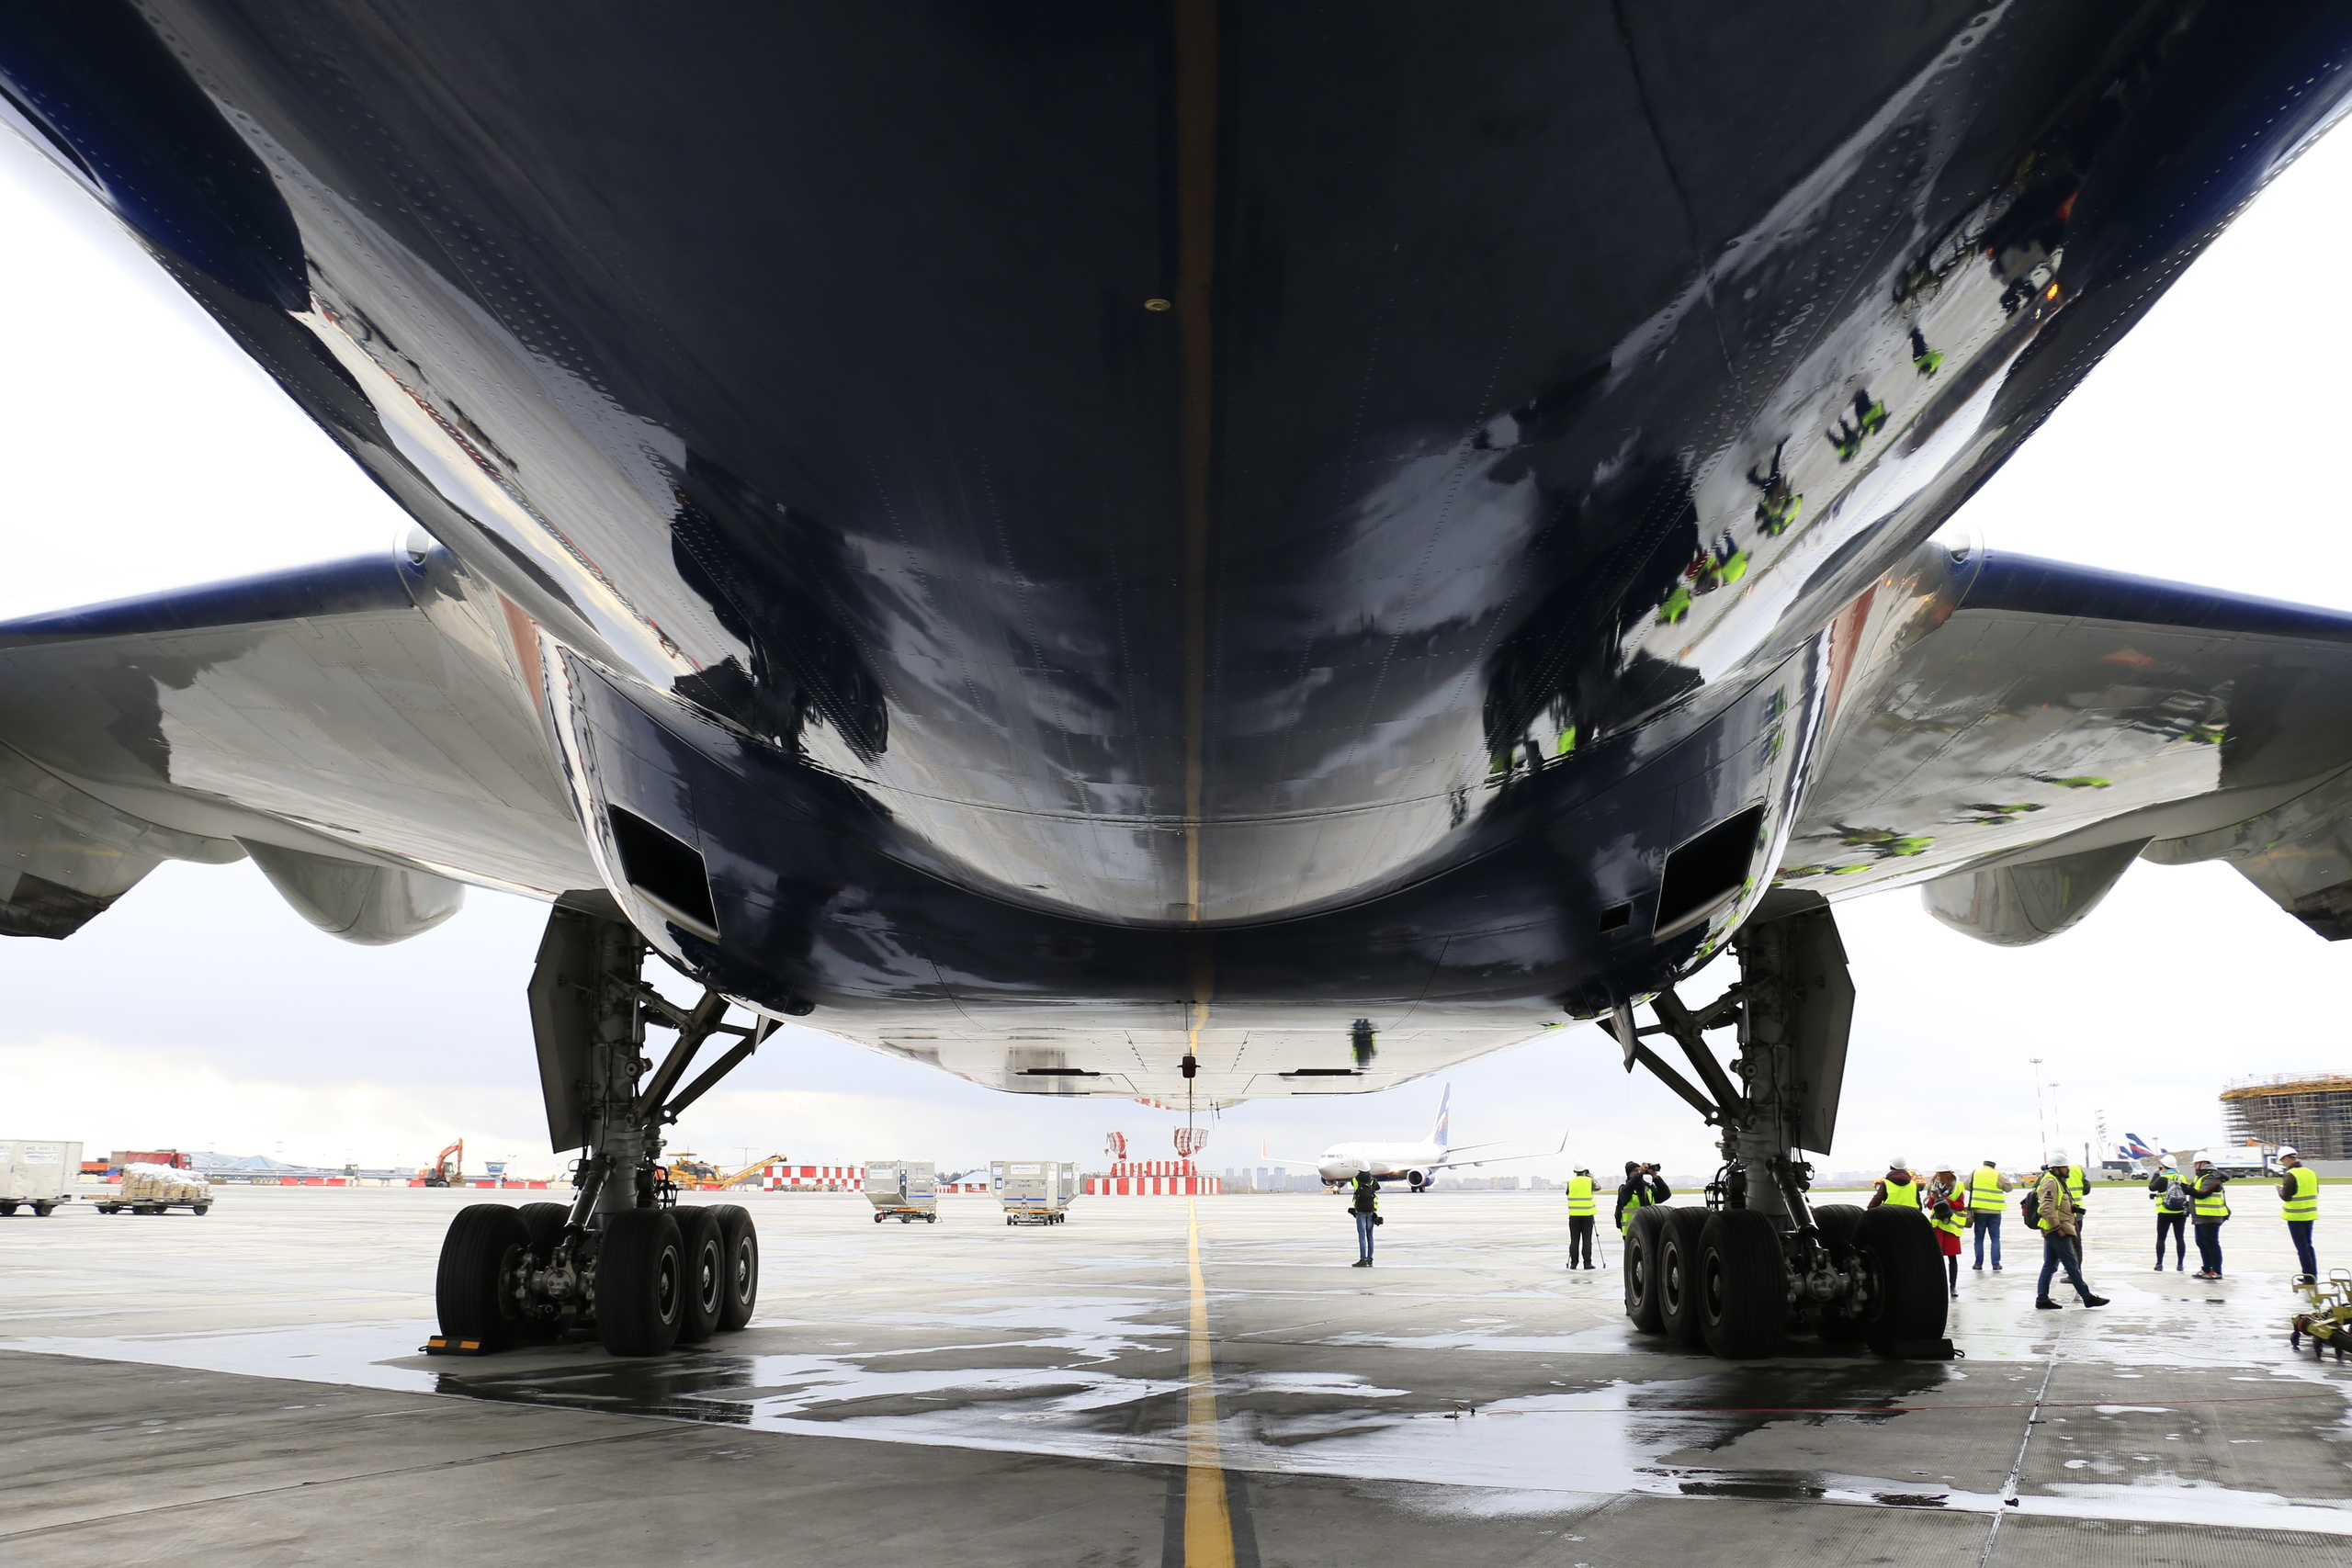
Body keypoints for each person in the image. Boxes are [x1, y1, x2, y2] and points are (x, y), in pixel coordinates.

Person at [2033, 1160, 2109, 1310]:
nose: (2068, 1169)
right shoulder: (2051, 1182)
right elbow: (2047, 1209)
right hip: (2056, 1230)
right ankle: (2087, 1297)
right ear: (2056, 1168)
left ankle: (2042, 1298)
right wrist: (2058, 1228)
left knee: (2050, 1265)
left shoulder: (2058, 1180)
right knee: (2071, 1264)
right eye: (2064, 1167)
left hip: (2055, 1229)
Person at [1926, 1164, 1968, 1297]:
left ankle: (1953, 1286)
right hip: (1937, 1225)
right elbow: (1929, 1206)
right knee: (1936, 1258)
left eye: (1940, 1174)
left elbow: (1961, 1206)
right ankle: (1937, 1285)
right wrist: (1933, 1198)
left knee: (1952, 1257)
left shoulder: (1959, 1186)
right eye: (1937, 1174)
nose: (1937, 1177)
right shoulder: (1934, 1185)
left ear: (1947, 1175)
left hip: (1950, 1227)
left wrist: (1946, 1201)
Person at [2279, 1147, 2320, 1280]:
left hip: (2296, 1216)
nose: (2283, 1164)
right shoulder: (2310, 1172)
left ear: (2286, 1158)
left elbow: (2286, 1196)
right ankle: (2312, 1275)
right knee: (2308, 1246)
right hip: (2310, 1214)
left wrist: (2279, 1190)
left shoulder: (2290, 1174)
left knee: (2302, 1248)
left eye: (2282, 1161)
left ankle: (2308, 1278)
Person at [2189, 1157, 2230, 1280]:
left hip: (2210, 1216)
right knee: (2201, 1243)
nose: (2195, 1166)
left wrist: (2186, 1189)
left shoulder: (2212, 1177)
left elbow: (2201, 1194)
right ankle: (2207, 1268)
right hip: (2200, 1215)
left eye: (2196, 1163)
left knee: (2211, 1244)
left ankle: (2217, 1270)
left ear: (2203, 1163)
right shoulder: (2201, 1177)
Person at [2147, 1156, 2188, 1272]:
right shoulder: (2181, 1177)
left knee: (2161, 1238)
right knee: (2179, 1238)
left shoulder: (2162, 1178)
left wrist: (2157, 1173)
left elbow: (2151, 1187)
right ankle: (2180, 1264)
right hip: (2180, 1211)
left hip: (2164, 1211)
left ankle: (2159, 1263)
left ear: (2164, 1166)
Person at [1969, 1159, 2008, 1272]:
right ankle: (1996, 1264)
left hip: (1979, 1210)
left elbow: (1967, 1185)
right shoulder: (1998, 1175)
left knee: (1979, 1238)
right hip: (1995, 1211)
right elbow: (2009, 1188)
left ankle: (1978, 1264)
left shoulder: (1975, 1172)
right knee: (1995, 1238)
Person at [1614, 1161, 1669, 1234]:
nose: (1638, 1171)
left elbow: (1666, 1194)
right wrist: (1640, 1174)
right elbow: (1629, 1187)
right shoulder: (1624, 1189)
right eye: (1635, 1170)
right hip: (1631, 1232)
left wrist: (1656, 1177)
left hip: (1649, 1230)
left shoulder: (1648, 1188)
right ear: (1629, 1174)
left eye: (1639, 1169)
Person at [1565, 1165, 1598, 1269]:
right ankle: (1587, 1263)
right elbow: (1598, 1187)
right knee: (1587, 1241)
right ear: (1584, 1171)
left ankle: (1573, 1263)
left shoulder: (1570, 1182)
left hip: (1574, 1215)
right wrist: (1592, 1178)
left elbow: (1567, 1193)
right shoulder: (1590, 1181)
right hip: (1587, 1215)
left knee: (1574, 1241)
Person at [1348, 1170, 1380, 1267]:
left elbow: (1352, 1182)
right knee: (1370, 1236)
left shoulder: (1355, 1180)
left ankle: (1363, 1259)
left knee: (1362, 1236)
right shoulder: (1373, 1180)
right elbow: (1377, 1188)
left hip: (1360, 1211)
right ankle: (1370, 1259)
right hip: (1371, 1210)